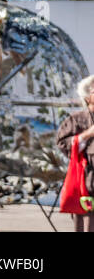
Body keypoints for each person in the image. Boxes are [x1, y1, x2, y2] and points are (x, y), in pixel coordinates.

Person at [57, 74, 94, 232]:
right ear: (87, 97)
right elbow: (63, 143)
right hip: (87, 184)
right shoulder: (76, 120)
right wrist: (87, 134)